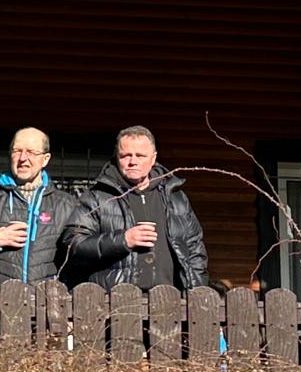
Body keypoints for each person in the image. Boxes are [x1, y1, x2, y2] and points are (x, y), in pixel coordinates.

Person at [59, 125, 207, 291]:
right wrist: (123, 240)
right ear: (117, 157)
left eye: (140, 155)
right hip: (115, 298)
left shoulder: (175, 197)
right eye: (125, 156)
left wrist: (198, 291)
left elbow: (195, 248)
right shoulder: (97, 197)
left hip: (170, 297)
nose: (133, 162)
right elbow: (73, 243)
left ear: (153, 158)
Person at [0, 126, 77, 283]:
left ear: (45, 159)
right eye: (17, 151)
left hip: (48, 295)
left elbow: (77, 258)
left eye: (31, 152)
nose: (23, 158)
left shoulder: (66, 205)